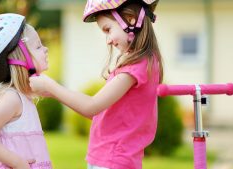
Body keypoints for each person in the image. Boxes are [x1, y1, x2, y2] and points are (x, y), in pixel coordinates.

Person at [30, 0, 163, 168]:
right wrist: (52, 92)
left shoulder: (136, 67)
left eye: (108, 30)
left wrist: (51, 86)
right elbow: (101, 110)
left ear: (130, 19)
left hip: (114, 158)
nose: (108, 40)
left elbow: (92, 107)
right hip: (106, 157)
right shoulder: (140, 63)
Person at [0, 13, 52, 169]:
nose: (46, 49)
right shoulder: (12, 99)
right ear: (20, 59)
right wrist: (19, 164)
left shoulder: (22, 97)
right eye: (38, 46)